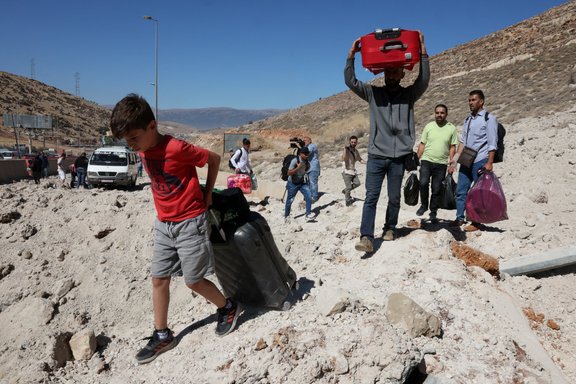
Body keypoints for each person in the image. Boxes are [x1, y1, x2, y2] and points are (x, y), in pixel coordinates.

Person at [110, 93, 240, 365]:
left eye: (134, 138)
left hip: (191, 222)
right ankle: (162, 334)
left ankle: (227, 307)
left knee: (193, 280)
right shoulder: (143, 150)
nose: (131, 146)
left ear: (152, 127)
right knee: (158, 279)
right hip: (163, 225)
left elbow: (213, 159)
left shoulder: (177, 148)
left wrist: (206, 194)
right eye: (127, 141)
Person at [345, 31, 430, 252]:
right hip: (376, 156)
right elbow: (350, 81)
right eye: (388, 72)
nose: (391, 76)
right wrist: (351, 55)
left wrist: (422, 49)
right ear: (383, 74)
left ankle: (390, 227)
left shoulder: (410, 95)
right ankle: (366, 237)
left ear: (402, 74)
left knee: (394, 197)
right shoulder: (373, 93)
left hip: (399, 158)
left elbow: (424, 80)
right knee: (371, 197)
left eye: (395, 72)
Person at [449, 90, 499, 232]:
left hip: (480, 159)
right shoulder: (468, 119)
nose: (470, 103)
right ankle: (460, 218)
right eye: (469, 100)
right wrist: (455, 159)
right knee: (461, 190)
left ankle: (476, 222)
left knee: (478, 193)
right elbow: (463, 141)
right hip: (466, 159)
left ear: (481, 101)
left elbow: (492, 143)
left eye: (473, 100)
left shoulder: (489, 118)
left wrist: (489, 162)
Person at [416, 104, 458, 223]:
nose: (439, 115)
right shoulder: (429, 126)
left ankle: (433, 211)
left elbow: (452, 147)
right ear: (435, 113)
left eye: (442, 113)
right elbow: (422, 144)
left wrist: (452, 164)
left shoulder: (451, 128)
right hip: (426, 160)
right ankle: (424, 205)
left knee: (436, 189)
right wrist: (416, 159)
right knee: (423, 183)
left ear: (446, 114)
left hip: (441, 164)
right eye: (437, 113)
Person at [284, 146, 315, 223]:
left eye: (308, 154)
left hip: (302, 182)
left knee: (308, 196)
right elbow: (289, 173)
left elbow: (306, 169)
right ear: (301, 154)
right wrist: (298, 168)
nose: (307, 155)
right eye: (305, 154)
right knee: (290, 200)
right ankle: (287, 216)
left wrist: (306, 167)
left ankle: (308, 215)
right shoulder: (295, 161)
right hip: (292, 183)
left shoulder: (306, 160)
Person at [341, 135, 366, 206]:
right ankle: (347, 201)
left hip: (353, 171)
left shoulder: (356, 151)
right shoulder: (347, 150)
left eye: (354, 142)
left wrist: (367, 162)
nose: (353, 143)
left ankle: (345, 191)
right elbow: (344, 158)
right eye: (352, 142)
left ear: (357, 142)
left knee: (357, 183)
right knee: (349, 187)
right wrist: (345, 149)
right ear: (349, 142)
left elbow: (360, 159)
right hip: (346, 171)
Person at [303, 136, 320, 202]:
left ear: (310, 141)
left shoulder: (312, 146)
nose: (304, 141)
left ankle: (314, 197)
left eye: (306, 140)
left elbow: (307, 153)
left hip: (313, 167)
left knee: (313, 182)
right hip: (308, 167)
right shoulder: (307, 147)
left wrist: (302, 149)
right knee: (308, 182)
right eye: (303, 140)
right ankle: (309, 196)